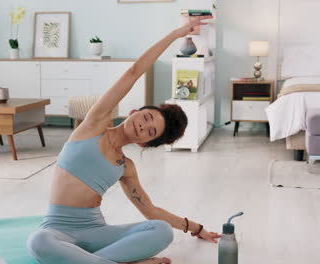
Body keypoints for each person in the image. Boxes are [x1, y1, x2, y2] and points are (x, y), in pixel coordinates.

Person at [27, 16, 220, 264]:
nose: (144, 126)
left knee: (161, 230)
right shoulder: (94, 124)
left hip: (96, 234)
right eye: (148, 117)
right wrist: (176, 34)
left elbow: (151, 211)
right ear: (134, 112)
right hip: (57, 231)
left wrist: (195, 227)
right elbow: (134, 71)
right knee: (38, 242)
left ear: (144, 143)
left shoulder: (125, 167)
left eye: (151, 133)